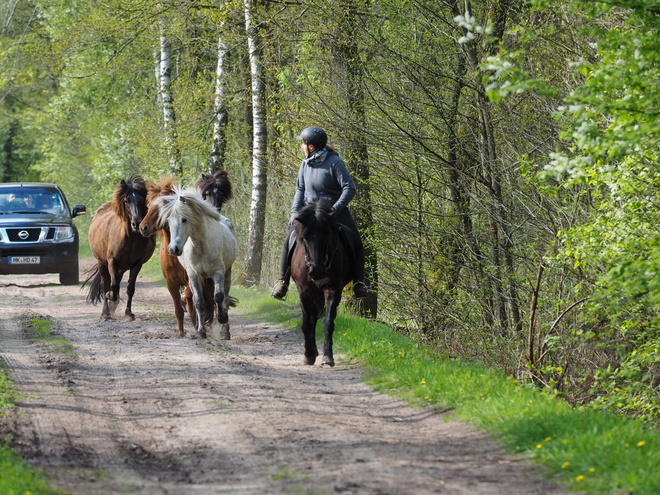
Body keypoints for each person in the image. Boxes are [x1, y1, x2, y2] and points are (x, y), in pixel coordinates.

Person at [271, 126, 368, 300]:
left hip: (332, 212)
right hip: (309, 213)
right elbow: (300, 189)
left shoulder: (334, 163)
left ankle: (359, 282)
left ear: (312, 146)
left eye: (303, 143)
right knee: (290, 238)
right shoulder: (305, 164)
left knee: (355, 239)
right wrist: (295, 211)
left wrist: (336, 208)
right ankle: (282, 282)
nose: (301, 146)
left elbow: (349, 187)